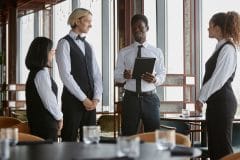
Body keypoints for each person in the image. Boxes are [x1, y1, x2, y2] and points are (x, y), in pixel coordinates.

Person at [195, 11, 240, 160]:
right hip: (217, 103)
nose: (208, 29)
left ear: (218, 28)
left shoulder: (228, 49)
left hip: (223, 103)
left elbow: (218, 79)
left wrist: (201, 97)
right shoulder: (220, 47)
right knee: (215, 148)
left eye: (210, 26)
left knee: (222, 148)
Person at [114, 14, 166, 136]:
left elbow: (162, 74)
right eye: (134, 28)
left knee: (153, 137)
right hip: (130, 99)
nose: (136, 30)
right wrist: (124, 76)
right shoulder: (124, 52)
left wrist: (155, 79)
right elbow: (117, 75)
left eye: (140, 27)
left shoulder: (156, 52)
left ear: (147, 28)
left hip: (150, 99)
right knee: (128, 136)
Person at [56, 8, 102, 141]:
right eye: (87, 21)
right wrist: (83, 99)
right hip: (72, 101)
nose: (90, 25)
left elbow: (97, 75)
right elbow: (65, 76)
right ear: (77, 21)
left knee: (91, 141)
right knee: (69, 139)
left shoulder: (89, 46)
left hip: (91, 102)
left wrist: (96, 98)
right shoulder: (64, 43)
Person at [25, 37, 63, 141]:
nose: (53, 53)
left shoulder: (35, 73)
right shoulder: (41, 74)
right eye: (51, 50)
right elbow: (49, 101)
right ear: (43, 52)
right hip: (45, 126)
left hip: (39, 124)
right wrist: (59, 117)